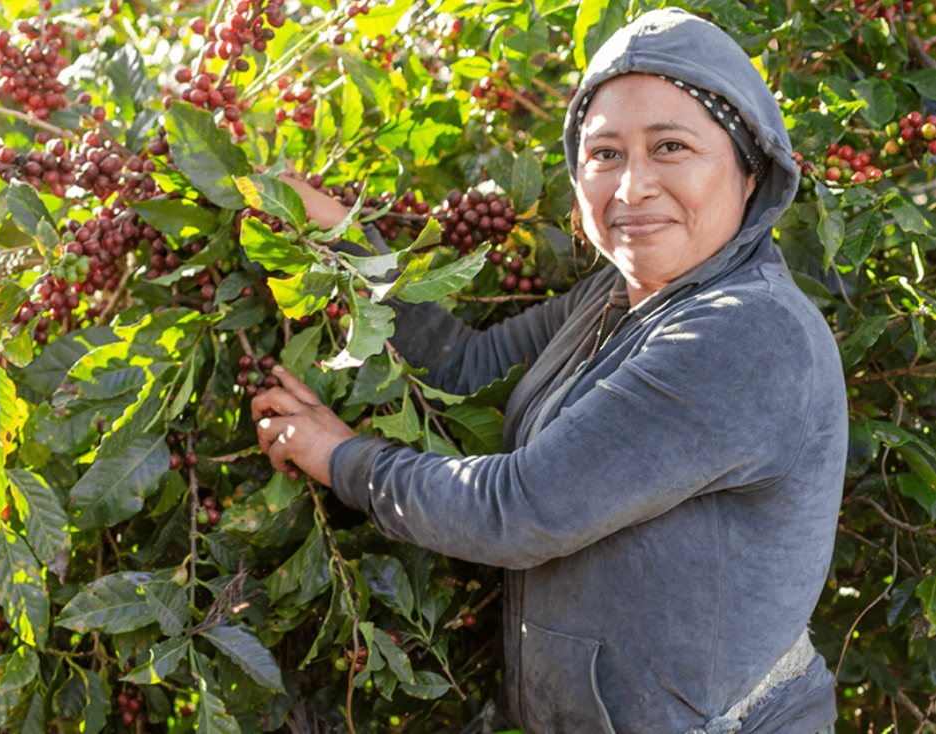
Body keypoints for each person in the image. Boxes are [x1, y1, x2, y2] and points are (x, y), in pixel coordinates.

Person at [253, 8, 848, 734]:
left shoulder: (743, 334)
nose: (631, 188)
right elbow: (464, 366)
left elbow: (518, 511)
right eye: (604, 154)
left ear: (748, 170)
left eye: (670, 147)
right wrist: (342, 243)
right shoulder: (615, 296)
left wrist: (343, 459)